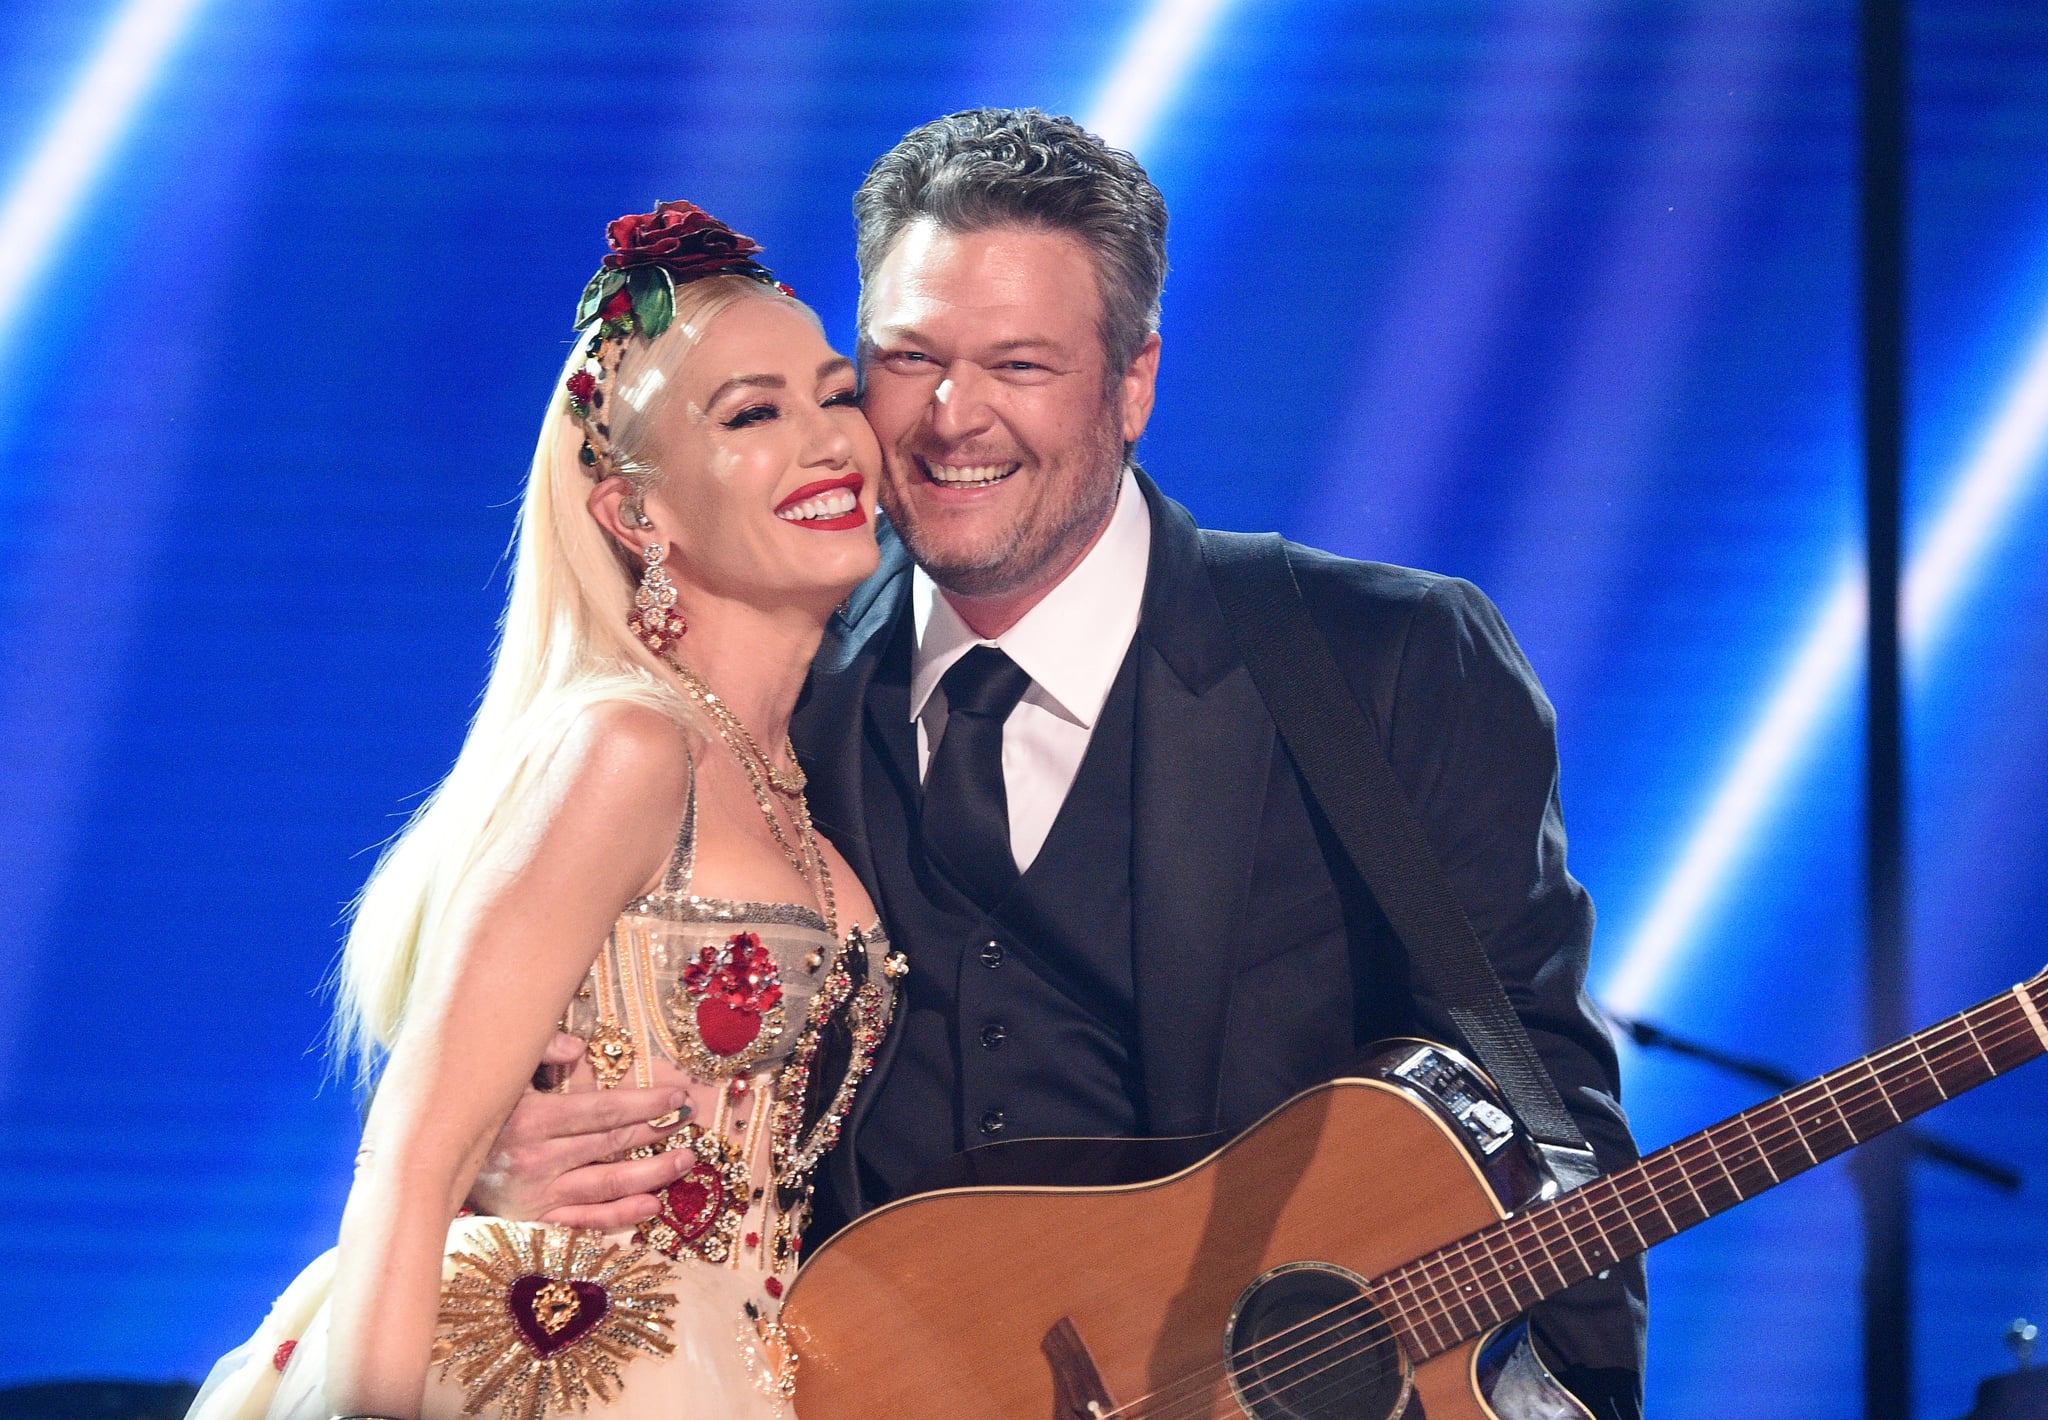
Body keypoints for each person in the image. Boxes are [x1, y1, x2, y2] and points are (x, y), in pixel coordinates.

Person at [481, 109, 1648, 1418]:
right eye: (907, 359)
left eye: (1018, 364)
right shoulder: (753, 695)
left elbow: (1547, 1119)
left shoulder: (1382, 664)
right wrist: (513, 1175)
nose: (948, 418)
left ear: (1134, 381)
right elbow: (579, 1075)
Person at [189, 202, 902, 1420]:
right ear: (638, 515)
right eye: (750, 414)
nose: (827, 441)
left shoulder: (806, 788)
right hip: (548, 1357)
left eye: (835, 395)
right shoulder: (628, 747)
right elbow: (412, 1155)